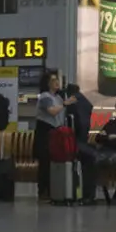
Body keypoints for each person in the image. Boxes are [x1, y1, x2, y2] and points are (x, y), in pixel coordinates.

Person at [34, 72, 68, 200]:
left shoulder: (58, 97)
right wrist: (65, 104)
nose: (56, 82)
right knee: (45, 163)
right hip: (45, 132)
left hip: (56, 132)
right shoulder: (44, 97)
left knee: (53, 162)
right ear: (47, 83)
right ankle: (43, 191)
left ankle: (53, 189)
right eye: (53, 80)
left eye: (57, 80)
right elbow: (52, 111)